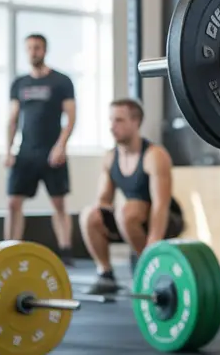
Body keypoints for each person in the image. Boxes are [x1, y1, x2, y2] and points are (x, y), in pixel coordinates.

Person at [79, 99, 184, 295]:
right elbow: (103, 201)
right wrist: (104, 218)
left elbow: (161, 205)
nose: (112, 126)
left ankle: (147, 269)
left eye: (118, 120)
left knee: (128, 210)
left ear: (136, 122)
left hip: (165, 220)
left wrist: (152, 251)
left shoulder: (154, 155)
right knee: (89, 215)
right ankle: (105, 274)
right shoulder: (111, 157)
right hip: (128, 220)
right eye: (110, 120)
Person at [5, 33, 76, 265]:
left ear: (45, 50)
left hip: (52, 152)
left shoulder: (61, 82)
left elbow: (71, 117)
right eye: (29, 48)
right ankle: (10, 249)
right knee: (12, 203)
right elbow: (12, 119)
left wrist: (60, 146)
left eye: (37, 47)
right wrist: (8, 150)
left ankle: (65, 250)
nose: (33, 52)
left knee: (59, 204)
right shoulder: (19, 83)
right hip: (25, 152)